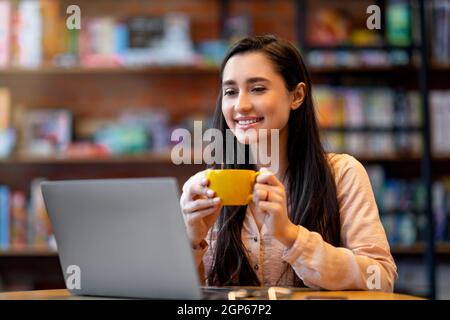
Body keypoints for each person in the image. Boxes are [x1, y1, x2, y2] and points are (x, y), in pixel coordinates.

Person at [179, 35, 397, 291]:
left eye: (258, 88)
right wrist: (190, 239)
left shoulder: (342, 173)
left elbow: (380, 280)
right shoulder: (206, 188)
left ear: (297, 96)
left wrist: (290, 236)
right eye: (230, 92)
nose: (241, 105)